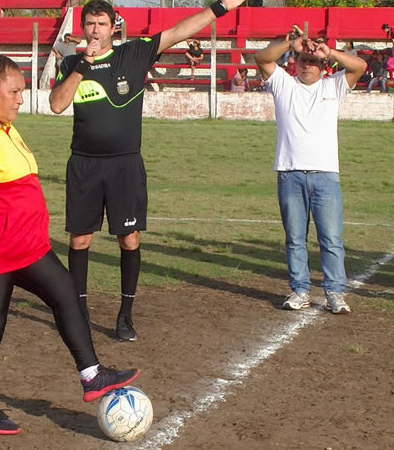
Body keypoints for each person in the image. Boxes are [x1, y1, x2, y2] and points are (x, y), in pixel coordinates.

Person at [0, 54, 140, 435]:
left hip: (28, 248)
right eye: (13, 91)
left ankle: (92, 375)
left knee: (66, 292)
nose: (20, 99)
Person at [49, 0, 246, 341]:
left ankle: (125, 315)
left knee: (129, 237)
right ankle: (78, 314)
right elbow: (56, 104)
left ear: (114, 27)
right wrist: (84, 63)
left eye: (102, 24)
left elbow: (182, 29)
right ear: (83, 27)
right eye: (90, 24)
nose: (95, 30)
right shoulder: (70, 63)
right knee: (80, 239)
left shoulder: (135, 54)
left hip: (125, 164)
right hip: (84, 164)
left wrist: (221, 7)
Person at [254, 32, 366, 314]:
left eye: (314, 61)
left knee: (330, 239)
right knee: (294, 239)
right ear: (294, 62)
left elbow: (359, 67)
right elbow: (262, 58)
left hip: (325, 174)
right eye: (303, 60)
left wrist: (329, 52)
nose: (307, 65)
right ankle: (300, 290)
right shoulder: (283, 84)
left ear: (323, 66)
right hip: (290, 173)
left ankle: (335, 292)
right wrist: (290, 45)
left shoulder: (333, 86)